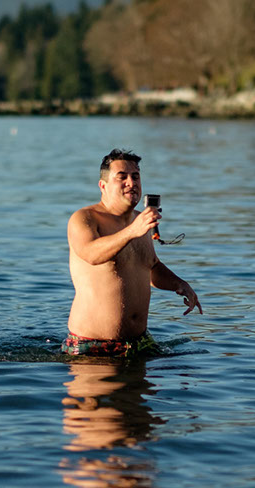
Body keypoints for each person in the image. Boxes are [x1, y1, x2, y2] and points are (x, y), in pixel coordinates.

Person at [62, 149, 202, 357]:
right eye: (122, 177)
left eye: (135, 177)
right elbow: (91, 254)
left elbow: (151, 266)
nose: (131, 182)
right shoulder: (84, 218)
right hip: (92, 346)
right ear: (103, 186)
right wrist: (132, 231)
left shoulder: (140, 220)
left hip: (139, 342)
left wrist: (180, 284)